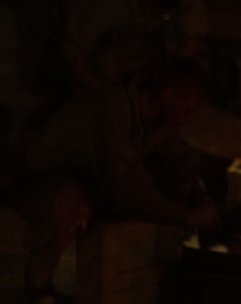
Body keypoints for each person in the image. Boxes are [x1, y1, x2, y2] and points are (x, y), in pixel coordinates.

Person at [12, 57, 224, 303]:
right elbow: (126, 182)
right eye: (188, 109)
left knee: (160, 181)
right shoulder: (116, 107)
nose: (190, 118)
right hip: (41, 180)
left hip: (91, 179)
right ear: (168, 96)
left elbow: (179, 162)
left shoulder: (160, 120)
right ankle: (38, 285)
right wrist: (186, 217)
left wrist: (198, 197)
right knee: (66, 202)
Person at [58, 0, 210, 96]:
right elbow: (72, 52)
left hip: (144, 42)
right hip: (102, 44)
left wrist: (173, 81)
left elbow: (192, 35)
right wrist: (104, 95)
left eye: (165, 14)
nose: (159, 16)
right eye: (154, 11)